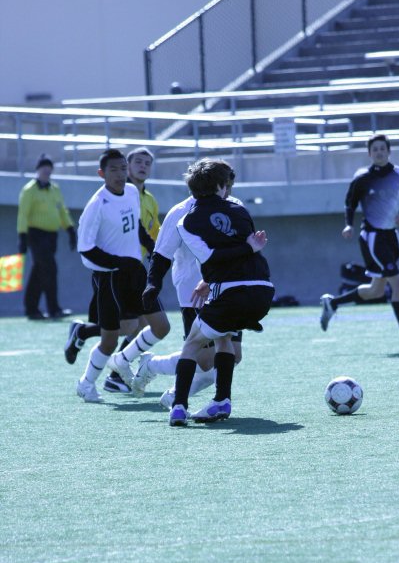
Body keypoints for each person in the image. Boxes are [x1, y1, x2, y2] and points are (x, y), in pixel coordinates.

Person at [155, 159, 274, 426]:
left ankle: (178, 407)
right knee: (224, 340)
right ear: (219, 185)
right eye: (227, 185)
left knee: (191, 345)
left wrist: (213, 277)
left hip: (230, 294)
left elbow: (210, 258)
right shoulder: (239, 209)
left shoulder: (187, 222)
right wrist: (246, 250)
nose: (230, 190)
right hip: (263, 291)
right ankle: (221, 402)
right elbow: (245, 249)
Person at [131, 159, 243, 407]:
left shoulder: (235, 206)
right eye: (226, 185)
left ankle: (178, 396)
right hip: (193, 292)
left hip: (227, 290)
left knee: (233, 355)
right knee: (204, 358)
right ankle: (153, 366)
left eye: (231, 186)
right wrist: (153, 284)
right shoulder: (180, 212)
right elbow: (161, 254)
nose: (229, 191)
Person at [64, 147, 170, 393]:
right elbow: (86, 249)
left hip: (137, 274)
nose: (120, 174)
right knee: (110, 339)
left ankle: (121, 363)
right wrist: (121, 262)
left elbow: (137, 227)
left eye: (123, 168)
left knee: (161, 327)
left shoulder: (133, 192)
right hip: (111, 278)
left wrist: (153, 248)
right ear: (102, 173)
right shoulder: (96, 205)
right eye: (114, 169)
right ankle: (86, 383)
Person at [319, 134, 399, 354]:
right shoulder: (362, 178)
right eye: (375, 149)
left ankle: (332, 303)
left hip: (391, 236)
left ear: (389, 151)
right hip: (372, 237)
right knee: (398, 284)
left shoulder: (398, 174)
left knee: (376, 290)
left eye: (382, 148)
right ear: (369, 154)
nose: (379, 152)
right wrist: (348, 225)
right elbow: (349, 204)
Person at [17, 153, 76, 319]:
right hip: (36, 235)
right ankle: (53, 308)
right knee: (50, 269)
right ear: (38, 170)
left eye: (49, 169)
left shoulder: (55, 189)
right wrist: (21, 237)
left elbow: (62, 211)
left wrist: (70, 229)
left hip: (51, 237)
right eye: (44, 168)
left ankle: (31, 309)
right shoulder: (29, 190)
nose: (46, 172)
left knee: (39, 272)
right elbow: (22, 215)